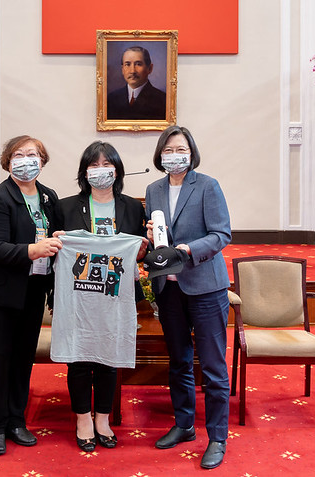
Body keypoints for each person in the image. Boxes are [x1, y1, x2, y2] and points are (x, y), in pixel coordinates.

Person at [0, 135, 63, 456]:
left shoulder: (48, 197)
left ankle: (16, 421)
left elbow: (54, 237)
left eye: (32, 154)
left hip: (33, 289)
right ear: (8, 162)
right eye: (18, 155)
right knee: (0, 358)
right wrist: (33, 250)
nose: (26, 160)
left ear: (42, 161)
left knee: (23, 358)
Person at [145, 126, 232, 470]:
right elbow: (158, 239)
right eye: (168, 150)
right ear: (160, 155)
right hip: (169, 288)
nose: (174, 155)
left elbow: (221, 234)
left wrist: (189, 250)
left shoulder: (208, 185)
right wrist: (150, 236)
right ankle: (184, 425)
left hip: (205, 287)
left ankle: (217, 437)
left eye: (180, 149)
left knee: (212, 366)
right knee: (179, 361)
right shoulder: (153, 190)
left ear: (191, 153)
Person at [54, 141, 149, 452]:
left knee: (109, 357)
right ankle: (83, 419)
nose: (100, 170)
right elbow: (54, 250)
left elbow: (137, 253)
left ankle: (103, 419)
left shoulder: (132, 207)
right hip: (78, 296)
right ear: (84, 172)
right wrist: (57, 241)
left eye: (107, 164)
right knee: (79, 358)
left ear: (117, 170)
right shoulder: (66, 207)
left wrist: (142, 249)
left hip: (115, 294)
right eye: (93, 165)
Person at [107, 46, 167, 120]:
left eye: (138, 64)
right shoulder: (111, 99)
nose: (132, 71)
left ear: (149, 68)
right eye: (127, 64)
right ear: (122, 69)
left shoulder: (163, 100)